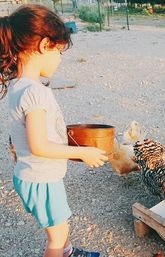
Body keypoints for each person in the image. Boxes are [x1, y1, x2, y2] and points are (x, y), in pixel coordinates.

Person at [0, 4, 108, 257]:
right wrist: (84, 153)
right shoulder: (34, 92)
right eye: (59, 51)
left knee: (58, 227)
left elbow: (23, 139)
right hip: (41, 180)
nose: (59, 58)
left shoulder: (19, 86)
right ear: (44, 45)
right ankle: (62, 252)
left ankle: (68, 252)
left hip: (32, 175)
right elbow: (39, 146)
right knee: (56, 237)